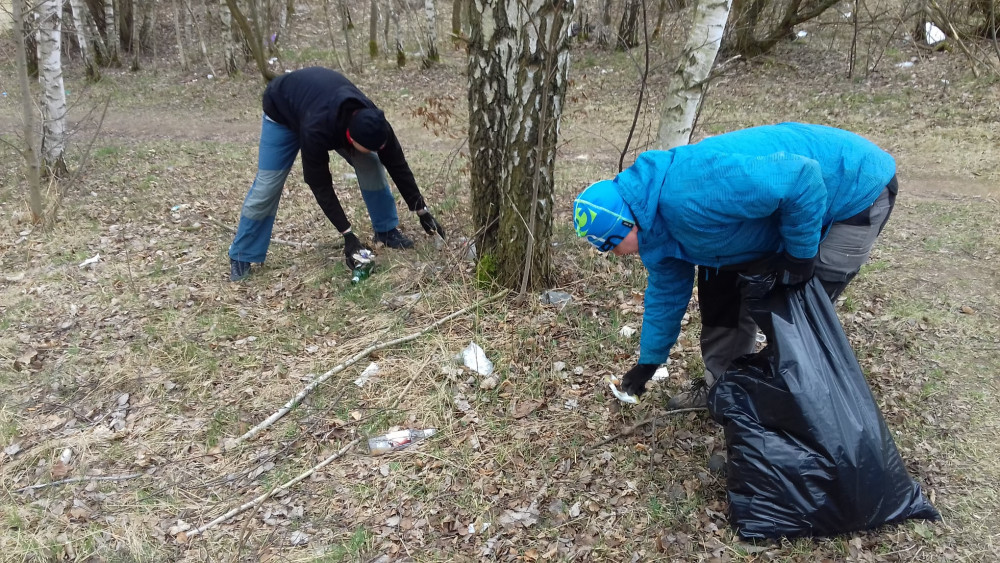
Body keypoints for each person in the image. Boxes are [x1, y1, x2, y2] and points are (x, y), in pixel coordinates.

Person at [573, 122, 898, 408]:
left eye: (611, 244)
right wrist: (649, 361)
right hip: (781, 208)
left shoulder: (690, 191)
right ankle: (725, 391)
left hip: (853, 187)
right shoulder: (653, 230)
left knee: (797, 311)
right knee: (721, 292)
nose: (614, 254)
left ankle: (786, 416)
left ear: (628, 222)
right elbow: (667, 295)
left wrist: (800, 255)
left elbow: (802, 178)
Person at [228, 66, 446, 281]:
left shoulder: (376, 123)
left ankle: (386, 231)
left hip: (318, 104)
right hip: (282, 111)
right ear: (350, 139)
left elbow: (397, 164)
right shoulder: (317, 130)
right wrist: (347, 235)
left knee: (371, 163)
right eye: (368, 147)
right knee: (268, 185)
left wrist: (421, 210)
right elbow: (319, 184)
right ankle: (242, 254)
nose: (375, 150)